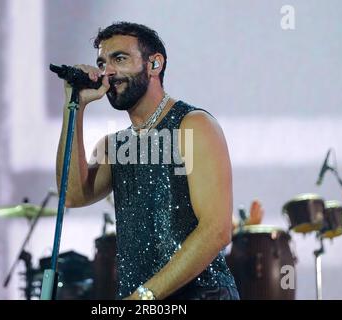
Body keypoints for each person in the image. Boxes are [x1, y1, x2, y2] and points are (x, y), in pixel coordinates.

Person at [57, 22, 239, 300]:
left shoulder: (192, 125)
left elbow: (216, 231)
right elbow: (71, 196)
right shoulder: (114, 145)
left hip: (202, 294)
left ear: (154, 64)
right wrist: (74, 107)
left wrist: (144, 296)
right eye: (102, 63)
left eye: (119, 58)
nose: (108, 71)